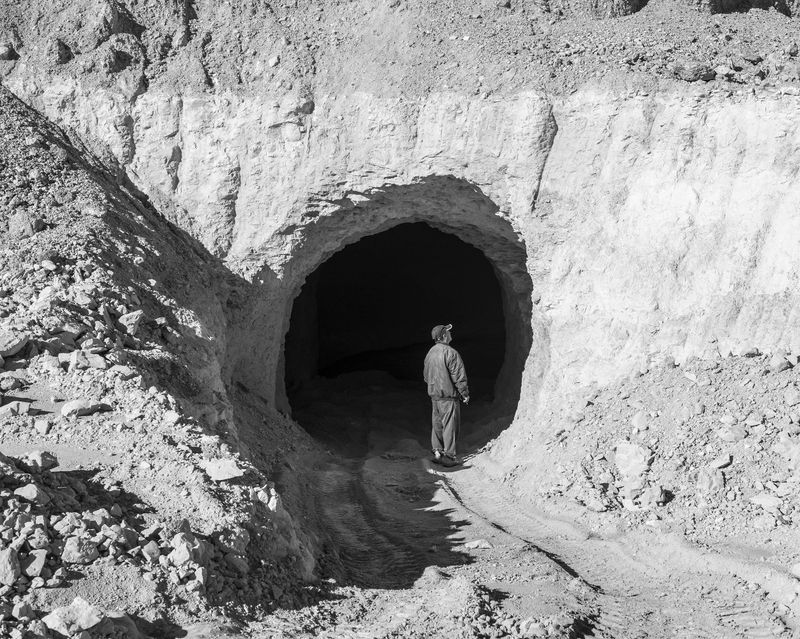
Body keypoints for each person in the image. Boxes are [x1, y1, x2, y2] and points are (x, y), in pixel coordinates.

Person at [423, 323, 469, 467]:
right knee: (450, 426)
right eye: (448, 332)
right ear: (443, 336)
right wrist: (464, 393)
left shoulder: (430, 352)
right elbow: (459, 376)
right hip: (448, 397)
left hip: (435, 396)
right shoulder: (451, 353)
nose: (450, 334)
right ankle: (449, 456)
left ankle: (437, 452)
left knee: (437, 424)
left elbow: (425, 376)